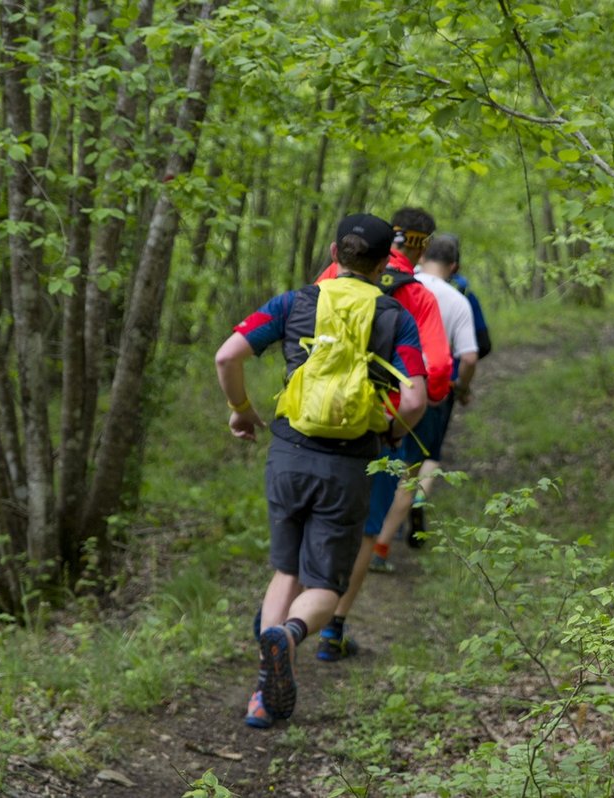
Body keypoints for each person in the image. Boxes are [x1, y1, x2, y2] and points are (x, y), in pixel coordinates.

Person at [215, 213, 427, 728]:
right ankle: (288, 636)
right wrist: (392, 434)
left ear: (334, 252)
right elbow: (417, 396)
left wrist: (242, 408)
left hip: (288, 449)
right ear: (383, 264)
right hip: (349, 460)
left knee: (286, 570)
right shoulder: (393, 315)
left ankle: (264, 696)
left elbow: (227, 355)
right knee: (325, 587)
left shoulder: (295, 302)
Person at [313, 207, 451, 663]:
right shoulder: (419, 297)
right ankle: (332, 629)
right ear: (423, 245)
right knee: (367, 529)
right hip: (378, 425)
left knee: (312, 515)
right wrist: (407, 416)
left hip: (315, 418)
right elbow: (438, 374)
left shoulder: (333, 273)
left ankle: (285, 619)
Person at [368, 234, 478, 569]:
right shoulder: (457, 300)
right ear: (454, 266)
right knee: (418, 467)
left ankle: (360, 532)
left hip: (385, 384)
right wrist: (460, 388)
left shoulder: (396, 284)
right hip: (431, 391)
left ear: (421, 254)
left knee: (377, 461)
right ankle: (382, 545)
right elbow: (469, 357)